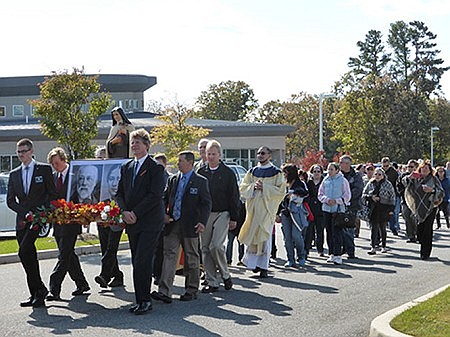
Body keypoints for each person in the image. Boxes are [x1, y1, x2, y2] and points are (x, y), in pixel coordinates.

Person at [115, 128, 165, 314]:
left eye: (137, 142)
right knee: (137, 261)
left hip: (150, 221)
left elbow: (155, 195)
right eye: (132, 142)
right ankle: (139, 299)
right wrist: (124, 211)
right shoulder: (126, 167)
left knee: (143, 260)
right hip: (132, 221)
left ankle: (145, 301)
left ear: (147, 145)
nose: (134, 145)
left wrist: (135, 212)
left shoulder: (155, 168)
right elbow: (119, 193)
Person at [151, 151, 211, 303]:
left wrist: (202, 222)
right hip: (173, 223)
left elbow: (206, 203)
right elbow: (164, 197)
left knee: (191, 256)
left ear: (190, 163)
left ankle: (191, 289)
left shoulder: (200, 181)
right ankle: (165, 291)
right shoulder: (173, 179)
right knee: (169, 255)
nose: (178, 164)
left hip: (190, 224)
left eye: (181, 161)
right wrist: (163, 214)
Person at [7, 138, 56, 308]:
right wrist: (24, 212)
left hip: (38, 218)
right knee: (28, 256)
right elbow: (10, 201)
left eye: (24, 151)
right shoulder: (14, 174)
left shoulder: (43, 169)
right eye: (19, 152)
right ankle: (36, 292)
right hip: (22, 220)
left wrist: (41, 212)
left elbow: (52, 194)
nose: (21, 155)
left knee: (23, 251)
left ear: (32, 151)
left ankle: (40, 290)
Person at [46, 147, 90, 300]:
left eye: (57, 163)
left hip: (72, 221)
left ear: (64, 160)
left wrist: (85, 216)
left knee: (64, 255)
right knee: (69, 254)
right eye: (52, 164)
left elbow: (83, 197)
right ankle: (82, 283)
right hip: (58, 222)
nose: (55, 166)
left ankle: (54, 288)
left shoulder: (76, 176)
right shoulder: (52, 177)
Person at [197, 140, 240, 292]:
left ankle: (225, 274)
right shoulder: (201, 172)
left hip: (223, 212)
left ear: (220, 155)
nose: (211, 157)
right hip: (206, 213)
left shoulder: (228, 173)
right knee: (205, 248)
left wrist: (234, 218)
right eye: (208, 154)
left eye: (214, 154)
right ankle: (212, 281)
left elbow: (234, 196)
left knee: (215, 245)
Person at [238, 146, 285, 277]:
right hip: (253, 210)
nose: (260, 155)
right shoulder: (252, 171)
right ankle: (254, 265)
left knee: (264, 238)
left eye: (263, 153)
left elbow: (281, 191)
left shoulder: (276, 172)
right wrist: (253, 186)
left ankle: (264, 266)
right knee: (253, 237)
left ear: (269, 155)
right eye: (258, 153)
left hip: (266, 210)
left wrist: (265, 187)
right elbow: (243, 187)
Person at [403, 161, 444, 260]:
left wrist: (432, 190)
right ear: (419, 169)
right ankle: (422, 243)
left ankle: (425, 253)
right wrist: (409, 177)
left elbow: (441, 192)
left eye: (427, 168)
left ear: (430, 170)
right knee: (420, 231)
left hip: (431, 207)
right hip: (419, 208)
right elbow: (404, 183)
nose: (424, 169)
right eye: (423, 168)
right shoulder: (416, 178)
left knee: (427, 229)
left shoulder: (434, 179)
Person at [94, 164, 124, 289]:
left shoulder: (122, 197)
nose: (114, 183)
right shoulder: (99, 190)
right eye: (111, 179)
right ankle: (117, 275)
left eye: (117, 179)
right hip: (102, 219)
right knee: (105, 247)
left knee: (111, 247)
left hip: (118, 220)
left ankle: (105, 275)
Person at [318, 163, 351, 265]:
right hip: (327, 209)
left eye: (331, 169)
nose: (329, 171)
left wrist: (337, 200)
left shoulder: (343, 180)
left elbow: (347, 195)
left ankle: (338, 255)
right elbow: (320, 194)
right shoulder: (325, 180)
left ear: (337, 170)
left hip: (338, 210)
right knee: (329, 232)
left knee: (337, 233)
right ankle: (331, 253)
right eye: (328, 169)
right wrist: (326, 200)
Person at [278, 164, 309, 268]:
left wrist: (294, 194)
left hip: (296, 212)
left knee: (296, 235)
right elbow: (278, 200)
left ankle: (301, 256)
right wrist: (277, 214)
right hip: (285, 212)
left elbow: (305, 194)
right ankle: (290, 259)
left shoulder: (300, 183)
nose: (284, 175)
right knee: (287, 237)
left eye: (285, 173)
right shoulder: (282, 184)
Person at [362, 168, 396, 254]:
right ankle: (373, 247)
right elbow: (363, 195)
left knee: (382, 228)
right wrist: (371, 197)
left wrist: (391, 209)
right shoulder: (370, 183)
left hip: (384, 209)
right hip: (373, 208)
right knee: (374, 228)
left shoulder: (388, 184)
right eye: (376, 174)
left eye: (379, 174)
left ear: (383, 176)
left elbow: (392, 197)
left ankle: (383, 246)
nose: (377, 176)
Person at [152, 153, 172, 285]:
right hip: (153, 217)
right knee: (155, 248)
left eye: (160, 164)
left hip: (164, 218)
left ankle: (160, 275)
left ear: (165, 164)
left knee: (162, 249)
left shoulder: (169, 179)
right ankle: (155, 273)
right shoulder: (152, 177)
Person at [339, 155, 363, 258]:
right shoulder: (338, 175)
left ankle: (350, 251)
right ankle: (343, 248)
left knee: (349, 229)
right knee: (340, 229)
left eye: (342, 162)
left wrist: (345, 197)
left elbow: (357, 190)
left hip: (351, 205)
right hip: (339, 205)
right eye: (340, 162)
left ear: (348, 164)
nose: (340, 164)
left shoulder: (356, 176)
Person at [397, 160, 419, 242]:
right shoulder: (403, 176)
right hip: (406, 200)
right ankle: (411, 236)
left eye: (411, 167)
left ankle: (418, 234)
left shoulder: (419, 175)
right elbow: (399, 186)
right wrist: (408, 179)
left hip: (417, 202)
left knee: (415, 218)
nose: (409, 168)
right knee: (407, 217)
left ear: (416, 167)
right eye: (408, 167)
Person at [305, 164, 325, 257]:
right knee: (309, 230)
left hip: (321, 209)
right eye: (314, 171)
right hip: (310, 209)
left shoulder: (324, 182)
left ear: (321, 172)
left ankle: (320, 250)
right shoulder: (308, 183)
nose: (316, 173)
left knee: (320, 230)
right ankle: (306, 249)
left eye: (318, 171)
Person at [381, 157, 401, 235]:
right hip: (382, 195)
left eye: (386, 166)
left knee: (393, 212)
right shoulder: (380, 172)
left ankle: (394, 227)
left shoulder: (394, 172)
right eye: (384, 166)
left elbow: (397, 183)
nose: (385, 168)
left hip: (393, 194)